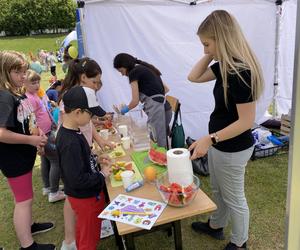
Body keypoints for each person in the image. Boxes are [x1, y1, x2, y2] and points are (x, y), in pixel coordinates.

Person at [187, 10, 264, 250]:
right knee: (218, 190)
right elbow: (193, 77)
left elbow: (246, 121)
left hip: (233, 146)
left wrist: (210, 139)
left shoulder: (241, 72)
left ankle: (240, 243)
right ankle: (216, 226)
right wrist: (211, 53)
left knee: (234, 197)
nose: (204, 50)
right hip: (220, 142)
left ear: (222, 37)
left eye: (207, 44)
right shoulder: (224, 66)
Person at [0, 51, 55, 249]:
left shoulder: (16, 93)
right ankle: (27, 245)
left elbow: (26, 120)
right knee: (23, 200)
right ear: (5, 71)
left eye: (24, 71)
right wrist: (31, 140)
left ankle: (29, 226)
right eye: (17, 72)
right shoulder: (5, 97)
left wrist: (37, 133)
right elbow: (1, 133)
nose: (23, 76)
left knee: (26, 196)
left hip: (23, 155)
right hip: (13, 158)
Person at [59, 58, 114, 250]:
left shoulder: (74, 132)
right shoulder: (70, 142)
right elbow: (76, 180)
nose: (92, 118)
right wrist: (102, 174)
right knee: (87, 241)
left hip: (88, 197)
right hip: (85, 199)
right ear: (77, 112)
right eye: (90, 114)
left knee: (89, 234)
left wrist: (96, 159)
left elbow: (82, 160)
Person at [113, 53, 172, 148]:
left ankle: (163, 161)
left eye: (121, 71)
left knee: (156, 142)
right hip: (166, 109)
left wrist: (124, 110)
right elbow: (166, 89)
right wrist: (153, 99)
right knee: (159, 139)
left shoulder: (133, 73)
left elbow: (135, 101)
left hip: (158, 109)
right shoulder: (145, 68)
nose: (122, 74)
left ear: (125, 66)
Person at [24, 70, 65, 203]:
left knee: (46, 160)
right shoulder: (29, 98)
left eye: (38, 82)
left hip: (46, 132)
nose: (37, 85)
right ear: (24, 83)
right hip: (42, 134)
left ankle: (48, 187)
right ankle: (54, 192)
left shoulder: (35, 94)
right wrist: (39, 137)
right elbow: (33, 120)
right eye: (33, 83)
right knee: (55, 160)